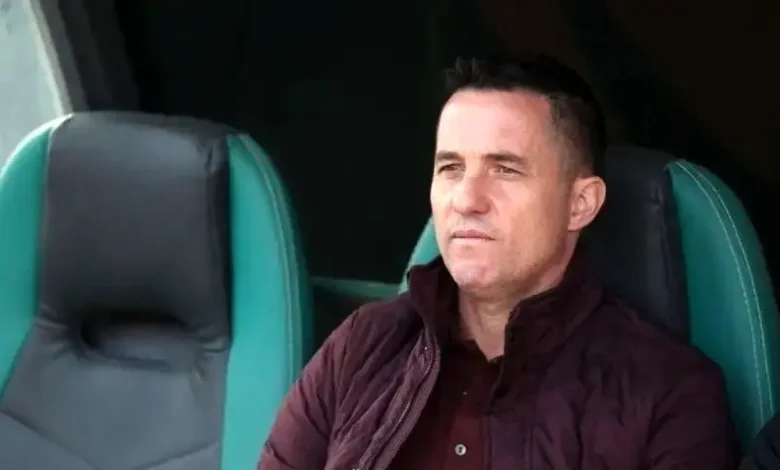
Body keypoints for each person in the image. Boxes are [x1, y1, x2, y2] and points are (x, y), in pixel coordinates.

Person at [257, 54, 735, 469]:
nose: (466, 199)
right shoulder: (362, 346)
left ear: (580, 204)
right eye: (451, 168)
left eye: (505, 169)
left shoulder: (670, 394)